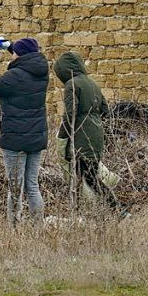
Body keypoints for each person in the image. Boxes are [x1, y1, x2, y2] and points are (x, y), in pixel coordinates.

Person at [0, 37, 49, 225]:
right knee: (32, 186)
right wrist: (10, 47)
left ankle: (14, 230)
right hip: (36, 138)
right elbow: (26, 60)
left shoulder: (14, 77)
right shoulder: (42, 72)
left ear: (20, 55)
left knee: (15, 188)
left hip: (15, 140)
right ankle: (38, 228)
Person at [53, 51, 125, 216]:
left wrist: (63, 138)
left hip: (81, 138)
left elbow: (69, 115)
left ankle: (117, 209)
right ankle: (92, 212)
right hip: (96, 136)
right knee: (89, 175)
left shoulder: (72, 84)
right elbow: (106, 111)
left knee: (88, 178)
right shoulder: (93, 84)